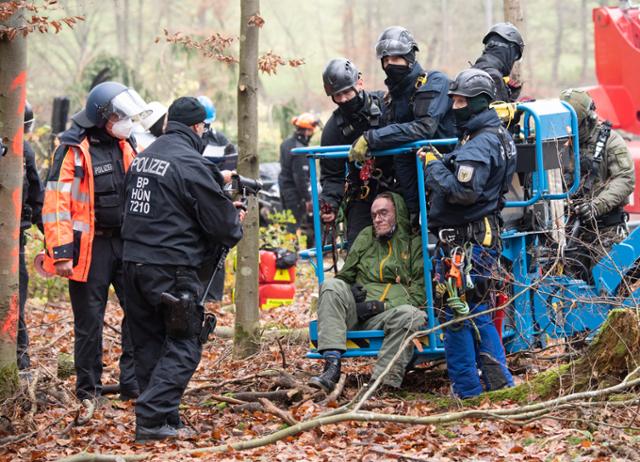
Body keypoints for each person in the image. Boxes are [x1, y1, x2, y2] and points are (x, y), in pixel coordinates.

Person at [121, 96, 244, 442]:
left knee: (149, 344)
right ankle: (151, 417)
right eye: (204, 127)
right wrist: (235, 218)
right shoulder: (192, 164)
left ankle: (162, 420)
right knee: (186, 343)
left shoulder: (142, 159)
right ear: (195, 127)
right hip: (171, 269)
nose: (206, 132)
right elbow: (224, 228)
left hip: (133, 264)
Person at [42, 82, 148, 401]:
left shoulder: (126, 143)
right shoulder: (74, 147)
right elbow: (56, 203)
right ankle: (89, 390)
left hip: (125, 243)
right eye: (120, 115)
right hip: (89, 248)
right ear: (103, 116)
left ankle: (133, 383)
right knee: (90, 324)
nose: (126, 121)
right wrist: (61, 253)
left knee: (139, 312)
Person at [421, 68, 516, 398]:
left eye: (461, 100)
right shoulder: (493, 136)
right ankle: (491, 387)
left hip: (467, 244)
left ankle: (474, 390)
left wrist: (432, 167)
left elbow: (464, 193)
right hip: (476, 239)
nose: (455, 106)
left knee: (462, 316)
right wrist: (442, 160)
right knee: (471, 313)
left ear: (478, 102)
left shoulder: (482, 143)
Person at [308, 192, 427, 393]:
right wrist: (352, 292)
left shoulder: (413, 243)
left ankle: (383, 383)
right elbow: (345, 276)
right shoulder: (366, 236)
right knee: (330, 286)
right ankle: (331, 367)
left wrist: (381, 306)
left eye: (383, 213)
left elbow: (419, 293)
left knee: (412, 315)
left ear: (398, 214)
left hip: (388, 315)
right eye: (374, 215)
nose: (378, 220)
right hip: (357, 311)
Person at [349, 26, 456, 218]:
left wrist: (371, 138)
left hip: (447, 172)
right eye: (386, 60)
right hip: (413, 180)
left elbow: (424, 127)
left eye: (396, 58)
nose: (390, 64)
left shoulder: (434, 82)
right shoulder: (393, 96)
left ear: (410, 58)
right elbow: (397, 140)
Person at [559, 88, 635, 277]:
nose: (571, 130)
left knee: (607, 284)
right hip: (570, 232)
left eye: (574, 125)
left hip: (605, 231)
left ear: (588, 119)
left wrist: (596, 205)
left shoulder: (611, 142)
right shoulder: (561, 144)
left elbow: (625, 179)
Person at [319, 57, 393, 245]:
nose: (343, 99)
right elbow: (331, 175)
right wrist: (331, 204)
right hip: (363, 192)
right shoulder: (333, 129)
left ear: (359, 83)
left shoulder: (387, 106)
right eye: (337, 95)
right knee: (356, 245)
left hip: (396, 187)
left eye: (346, 92)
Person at [18, 101, 45, 371]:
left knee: (15, 305)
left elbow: (37, 200)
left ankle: (20, 366)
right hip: (13, 241)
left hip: (14, 239)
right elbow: (38, 200)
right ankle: (19, 364)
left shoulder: (24, 151)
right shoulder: (23, 149)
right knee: (15, 305)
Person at [278, 112, 321, 241]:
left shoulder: (286, 143)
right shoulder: (300, 150)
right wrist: (308, 199)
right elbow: (300, 178)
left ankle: (289, 253)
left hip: (284, 189)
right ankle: (290, 254)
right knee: (293, 225)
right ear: (307, 131)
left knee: (289, 222)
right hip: (294, 193)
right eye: (311, 131)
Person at [472, 22, 525, 103]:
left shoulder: (473, 71)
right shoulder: (494, 77)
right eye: (515, 56)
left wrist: (510, 94)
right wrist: (519, 108)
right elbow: (499, 115)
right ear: (510, 52)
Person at [197, 95, 237, 171]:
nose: (204, 127)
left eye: (207, 125)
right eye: (202, 124)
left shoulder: (219, 139)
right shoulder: (186, 140)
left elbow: (232, 161)